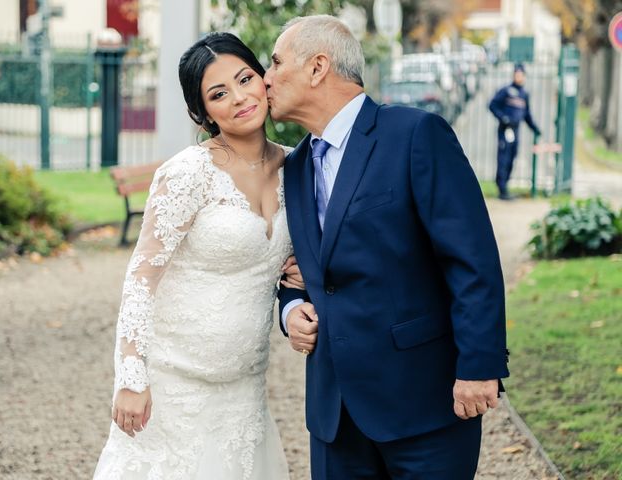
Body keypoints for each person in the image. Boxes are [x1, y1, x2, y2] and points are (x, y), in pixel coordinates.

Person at [266, 15, 509, 479]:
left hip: (422, 403)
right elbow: (297, 266)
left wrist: (479, 365)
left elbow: (471, 260)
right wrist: (291, 307)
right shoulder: (294, 168)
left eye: (276, 63)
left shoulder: (416, 135)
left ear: (318, 68)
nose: (266, 77)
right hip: (334, 415)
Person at [93, 32, 304, 479]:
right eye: (219, 93)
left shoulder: (298, 168)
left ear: (264, 78)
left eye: (245, 78)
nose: (240, 97)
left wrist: (302, 275)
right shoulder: (189, 173)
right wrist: (131, 378)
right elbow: (141, 280)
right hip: (174, 388)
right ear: (201, 111)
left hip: (244, 389)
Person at [489, 63, 541, 200]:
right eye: (516, 74)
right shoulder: (506, 91)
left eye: (521, 74)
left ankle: (505, 185)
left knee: (512, 158)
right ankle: (501, 189)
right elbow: (492, 105)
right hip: (505, 130)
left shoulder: (524, 94)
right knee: (503, 159)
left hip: (516, 131)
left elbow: (526, 114)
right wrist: (503, 118)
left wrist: (534, 128)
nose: (518, 77)